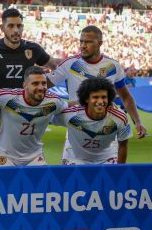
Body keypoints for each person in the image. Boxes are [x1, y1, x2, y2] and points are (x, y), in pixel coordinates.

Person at [0, 8, 60, 166]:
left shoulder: (33, 49)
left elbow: (56, 66)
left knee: (23, 159)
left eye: (19, 26)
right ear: (2, 28)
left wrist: (47, 83)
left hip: (21, 112)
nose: (16, 30)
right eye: (11, 26)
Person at [47, 25, 146, 164]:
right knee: (73, 183)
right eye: (81, 41)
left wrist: (138, 122)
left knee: (109, 182)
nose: (83, 45)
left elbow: (126, 97)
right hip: (76, 126)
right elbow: (42, 87)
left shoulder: (113, 66)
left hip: (106, 127)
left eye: (87, 42)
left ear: (100, 43)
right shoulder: (70, 64)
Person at [0, 66, 67, 166]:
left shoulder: (54, 101)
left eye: (44, 83)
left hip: (34, 155)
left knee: (41, 181)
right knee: (6, 181)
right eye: (35, 83)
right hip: (5, 153)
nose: (40, 87)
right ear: (24, 85)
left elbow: (68, 108)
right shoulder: (7, 97)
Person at [52, 78, 132, 165]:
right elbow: (45, 119)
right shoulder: (71, 114)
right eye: (95, 97)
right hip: (75, 157)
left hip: (107, 158)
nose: (100, 101)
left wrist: (119, 170)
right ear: (86, 99)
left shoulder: (119, 117)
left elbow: (123, 145)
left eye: (104, 97)